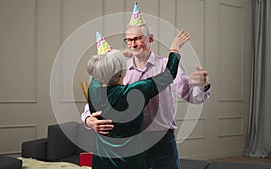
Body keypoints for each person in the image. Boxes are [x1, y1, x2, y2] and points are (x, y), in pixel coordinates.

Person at [82, 2, 211, 169]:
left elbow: (192, 96)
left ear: (150, 39)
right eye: (129, 40)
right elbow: (97, 102)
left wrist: (202, 85)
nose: (133, 44)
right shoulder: (119, 70)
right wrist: (88, 120)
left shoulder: (166, 65)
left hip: (162, 143)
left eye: (137, 39)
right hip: (130, 144)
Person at [87, 30, 188, 169]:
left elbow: (97, 74)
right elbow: (169, 74)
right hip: (129, 163)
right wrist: (174, 48)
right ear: (122, 71)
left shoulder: (93, 89)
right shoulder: (135, 91)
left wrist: (113, 57)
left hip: (101, 162)